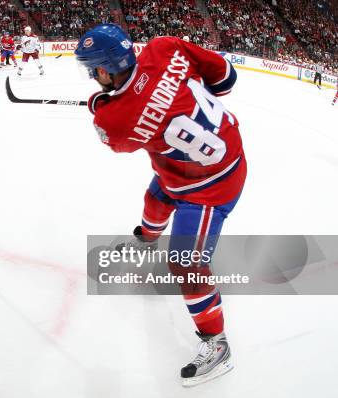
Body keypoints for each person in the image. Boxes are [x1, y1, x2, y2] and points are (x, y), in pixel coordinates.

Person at [75, 24, 245, 386]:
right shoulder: (165, 46)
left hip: (210, 185)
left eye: (93, 70)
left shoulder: (115, 119)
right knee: (155, 199)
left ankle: (217, 343)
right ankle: (147, 239)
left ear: (104, 70)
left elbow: (117, 140)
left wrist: (100, 105)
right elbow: (226, 79)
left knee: (186, 263)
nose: (92, 76)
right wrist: (172, 97)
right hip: (203, 158)